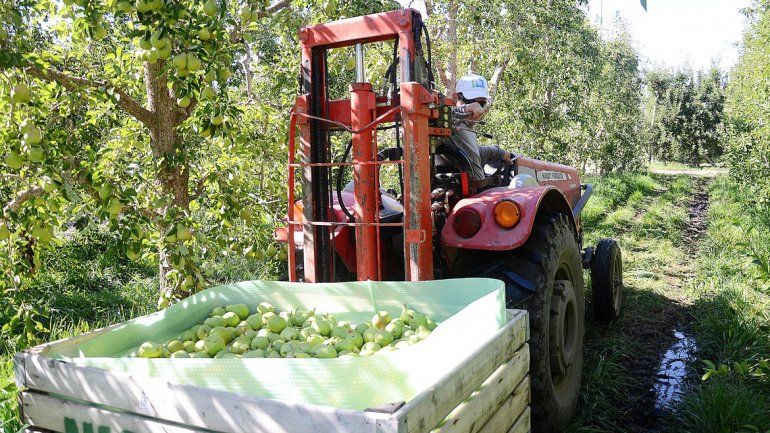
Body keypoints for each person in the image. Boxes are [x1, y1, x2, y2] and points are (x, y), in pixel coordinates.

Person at [447, 74, 512, 180]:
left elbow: (473, 154)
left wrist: (498, 153)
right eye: (471, 102)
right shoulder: (449, 124)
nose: (477, 110)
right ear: (455, 98)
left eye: (481, 103)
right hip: (474, 193)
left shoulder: (465, 126)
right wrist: (463, 110)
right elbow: (437, 116)